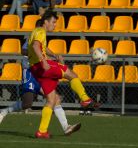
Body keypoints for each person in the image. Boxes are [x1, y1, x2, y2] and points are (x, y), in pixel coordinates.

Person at [28, 10, 99, 139]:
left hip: (36, 69)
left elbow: (41, 47)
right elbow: (35, 46)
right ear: (46, 22)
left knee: (52, 100)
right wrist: (44, 61)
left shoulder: (36, 31)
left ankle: (42, 131)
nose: (54, 25)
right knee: (72, 74)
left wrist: (54, 55)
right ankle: (85, 99)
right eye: (53, 22)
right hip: (42, 66)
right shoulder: (41, 31)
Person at [0, 56, 81, 136]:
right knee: (27, 104)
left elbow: (43, 51)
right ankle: (5, 111)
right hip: (30, 73)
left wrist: (55, 56)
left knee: (55, 98)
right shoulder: (31, 43)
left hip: (40, 74)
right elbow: (26, 50)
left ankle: (66, 127)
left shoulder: (42, 44)